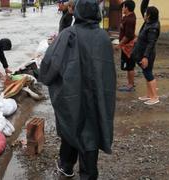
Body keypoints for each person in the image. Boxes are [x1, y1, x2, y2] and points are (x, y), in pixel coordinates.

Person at [39, 0, 116, 178]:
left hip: (71, 93)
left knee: (72, 125)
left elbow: (52, 62)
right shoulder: (104, 37)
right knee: (91, 130)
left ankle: (68, 166)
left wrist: (45, 77)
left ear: (78, 12)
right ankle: (81, 171)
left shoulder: (69, 34)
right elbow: (108, 71)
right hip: (97, 94)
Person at [131, 0, 160, 105]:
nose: (144, 14)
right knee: (146, 73)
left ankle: (154, 97)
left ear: (149, 16)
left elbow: (151, 44)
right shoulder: (148, 22)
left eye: (146, 13)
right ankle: (149, 95)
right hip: (143, 53)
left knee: (148, 74)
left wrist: (145, 57)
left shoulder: (153, 27)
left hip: (147, 54)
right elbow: (143, 7)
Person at [116, 0, 137, 92]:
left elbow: (128, 35)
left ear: (127, 8)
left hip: (129, 46)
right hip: (125, 46)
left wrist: (119, 45)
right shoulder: (127, 17)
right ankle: (129, 84)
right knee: (128, 66)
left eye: (124, 7)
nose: (122, 8)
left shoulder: (130, 19)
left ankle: (131, 85)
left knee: (130, 65)